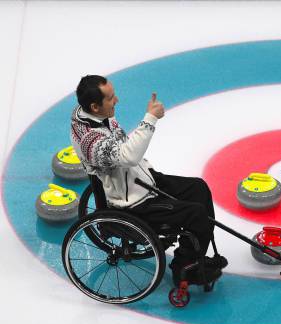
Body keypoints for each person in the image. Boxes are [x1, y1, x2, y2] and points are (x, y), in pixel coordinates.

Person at [70, 74, 226, 286]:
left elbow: (125, 151)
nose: (117, 100)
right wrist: (150, 119)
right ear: (95, 106)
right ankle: (185, 267)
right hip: (133, 202)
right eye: (111, 98)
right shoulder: (92, 141)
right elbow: (128, 156)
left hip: (139, 179)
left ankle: (193, 255)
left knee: (198, 188)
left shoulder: (94, 115)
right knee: (196, 214)